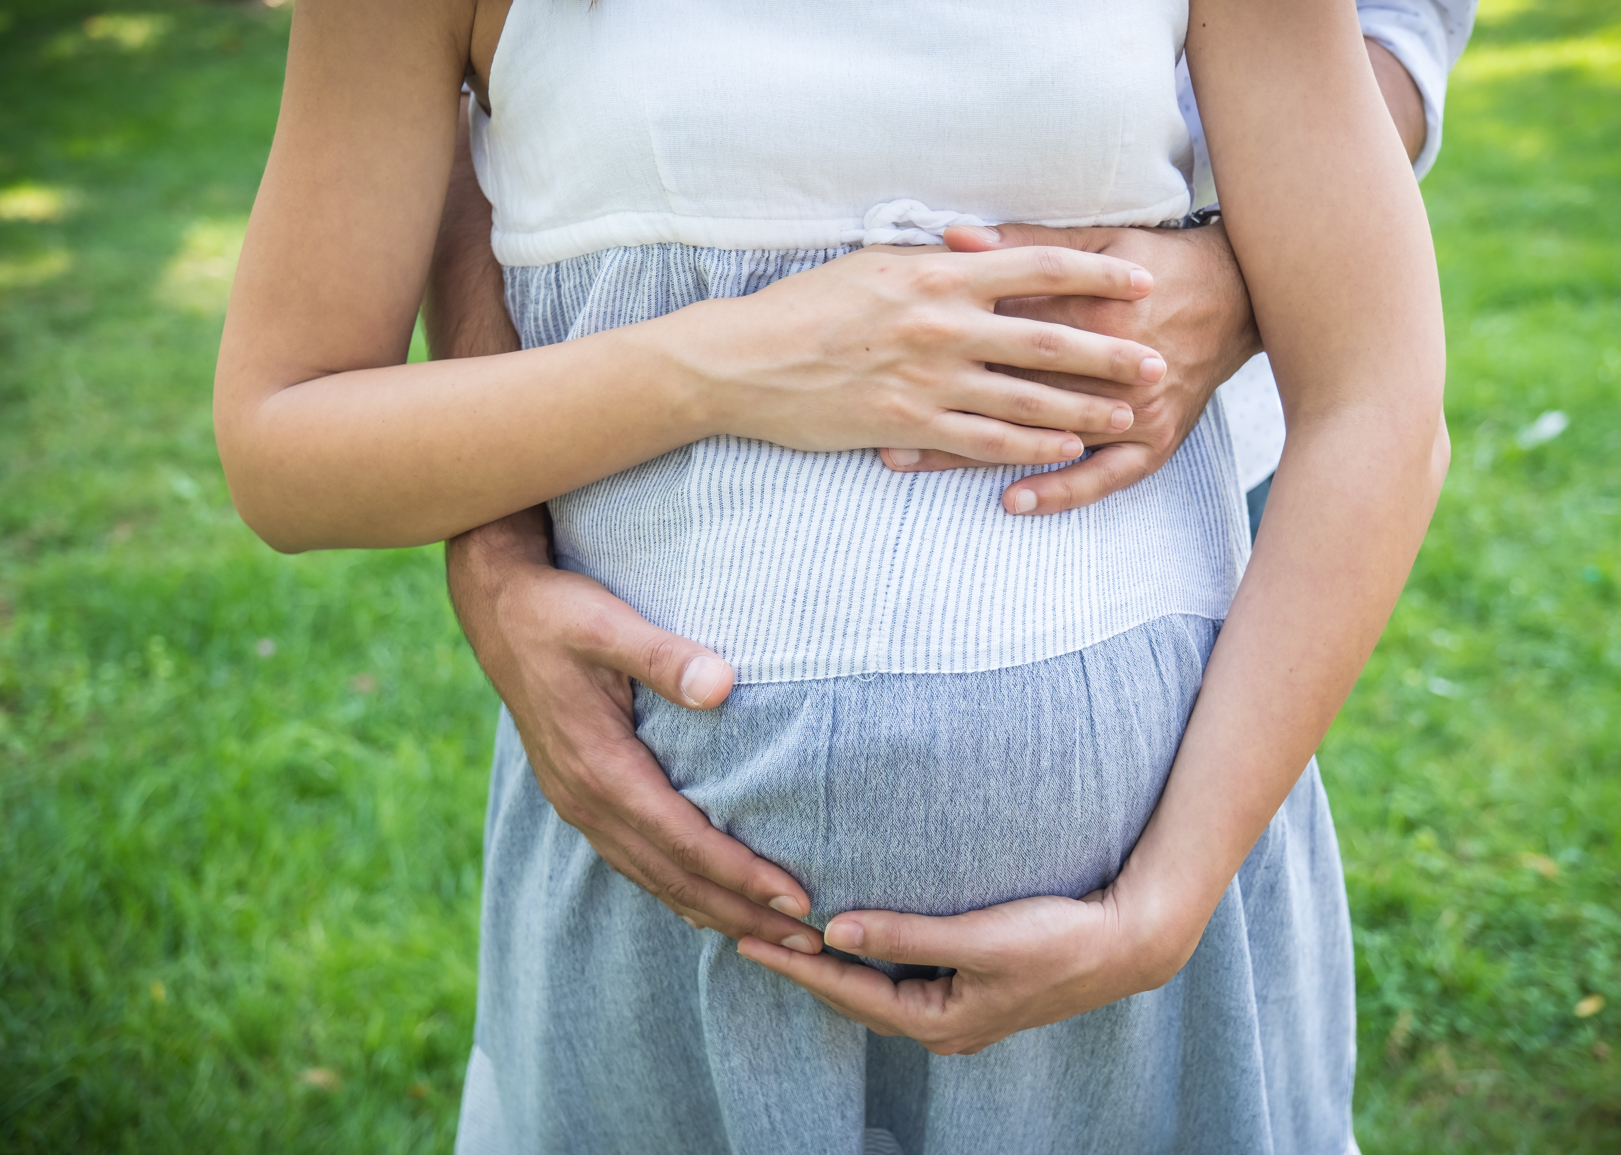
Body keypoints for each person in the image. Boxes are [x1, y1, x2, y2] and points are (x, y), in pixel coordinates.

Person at [214, 1, 1451, 1151]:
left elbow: (1377, 399)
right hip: (666, 946)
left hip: (1145, 950)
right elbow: (287, 444)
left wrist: (1166, 902)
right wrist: (729, 364)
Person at [436, 0, 1475, 987]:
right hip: (659, 923)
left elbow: (1374, 391)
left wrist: (1259, 258)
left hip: (1159, 603)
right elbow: (456, 122)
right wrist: (499, 545)